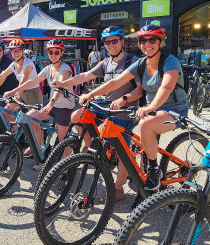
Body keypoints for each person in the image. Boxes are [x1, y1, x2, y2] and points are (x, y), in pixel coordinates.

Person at [80, 24, 188, 193]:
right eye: (143, 41)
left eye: (152, 39)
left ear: (161, 42)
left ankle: (154, 171)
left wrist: (150, 106)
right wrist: (91, 94)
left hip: (174, 110)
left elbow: (166, 88)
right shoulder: (141, 63)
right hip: (152, 110)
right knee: (142, 135)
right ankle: (142, 169)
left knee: (146, 125)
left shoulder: (170, 60)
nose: (147, 43)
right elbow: (116, 82)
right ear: (139, 44)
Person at [53, 27, 142, 202]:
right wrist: (64, 84)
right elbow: (86, 75)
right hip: (106, 104)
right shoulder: (105, 62)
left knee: (122, 149)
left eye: (114, 41)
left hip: (124, 109)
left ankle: (117, 189)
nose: (111, 45)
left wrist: (125, 99)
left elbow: (140, 90)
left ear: (122, 42)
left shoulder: (133, 61)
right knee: (77, 116)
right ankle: (91, 147)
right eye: (107, 42)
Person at [4, 39, 74, 170]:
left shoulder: (66, 69)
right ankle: (38, 149)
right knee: (30, 118)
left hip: (64, 106)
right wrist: (13, 91)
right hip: (51, 103)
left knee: (62, 140)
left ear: (61, 53)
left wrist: (52, 102)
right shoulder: (48, 68)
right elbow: (32, 81)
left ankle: (66, 170)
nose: (53, 55)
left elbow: (60, 87)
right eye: (51, 52)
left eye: (56, 52)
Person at [0, 39, 43, 107]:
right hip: (21, 91)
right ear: (10, 52)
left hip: (32, 94)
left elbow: (22, 81)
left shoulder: (28, 63)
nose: (16, 53)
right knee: (6, 111)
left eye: (18, 50)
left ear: (23, 50)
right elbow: (1, 76)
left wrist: (16, 95)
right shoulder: (14, 64)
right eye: (13, 50)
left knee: (29, 116)